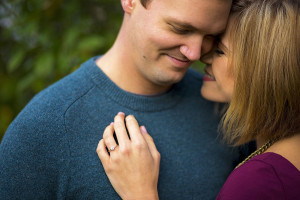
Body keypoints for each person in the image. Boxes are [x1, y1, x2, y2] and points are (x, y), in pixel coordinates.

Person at [0, 0, 239, 199]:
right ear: (130, 1)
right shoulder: (41, 130)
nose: (196, 53)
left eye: (211, 35)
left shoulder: (227, 108)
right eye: (180, 29)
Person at [97, 0, 300, 199]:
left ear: (264, 69)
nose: (199, 54)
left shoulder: (259, 181)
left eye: (219, 49)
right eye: (179, 28)